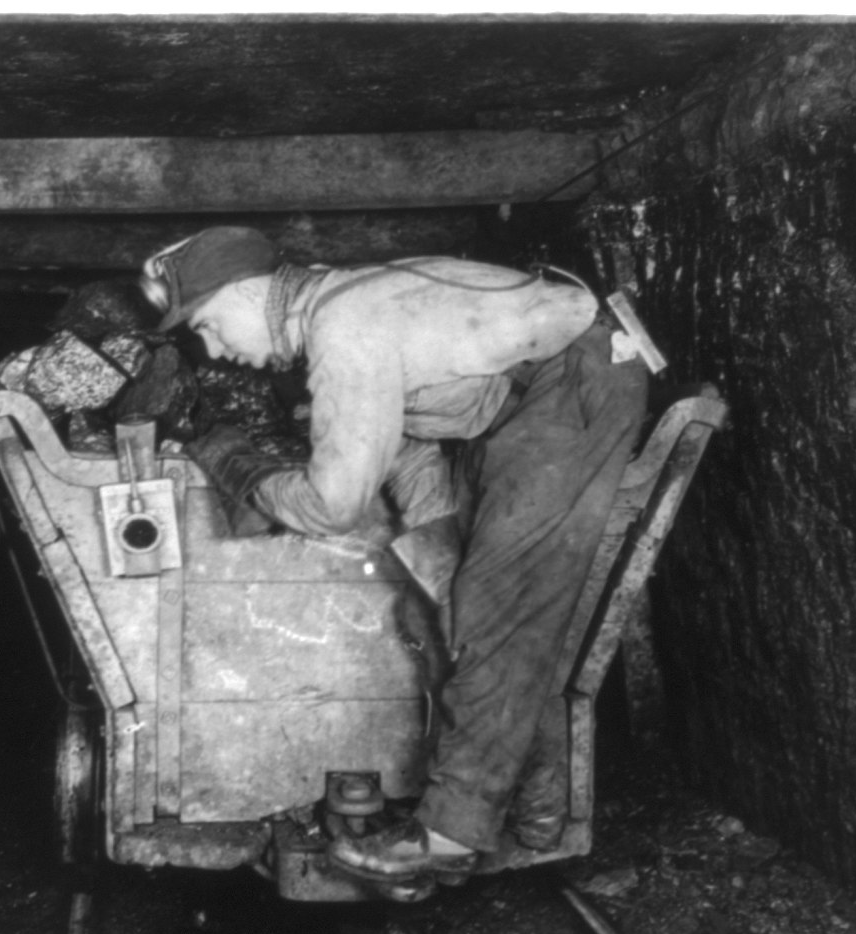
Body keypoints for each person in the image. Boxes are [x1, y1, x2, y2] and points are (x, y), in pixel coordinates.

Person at [140, 226, 649, 888]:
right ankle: (538, 810)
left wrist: (242, 470)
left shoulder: (343, 327)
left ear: (245, 292)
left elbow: (335, 506)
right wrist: (436, 544)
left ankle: (448, 835)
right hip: (514, 405)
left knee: (501, 605)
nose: (214, 350)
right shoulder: (329, 306)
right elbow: (404, 435)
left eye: (207, 325)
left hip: (576, 381)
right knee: (457, 606)